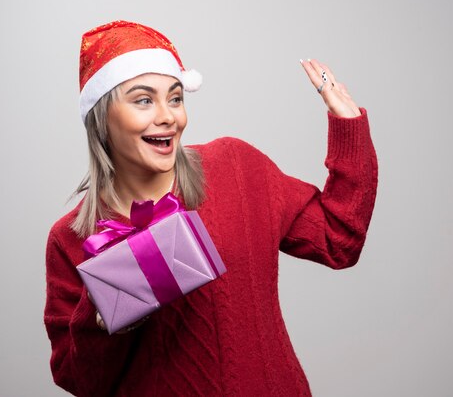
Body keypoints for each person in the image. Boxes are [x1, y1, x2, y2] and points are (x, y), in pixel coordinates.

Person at [44, 20, 378, 397]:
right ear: (102, 117)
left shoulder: (235, 167)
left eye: (175, 97)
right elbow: (81, 381)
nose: (168, 116)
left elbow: (339, 240)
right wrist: (102, 312)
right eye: (143, 100)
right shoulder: (69, 237)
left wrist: (348, 126)